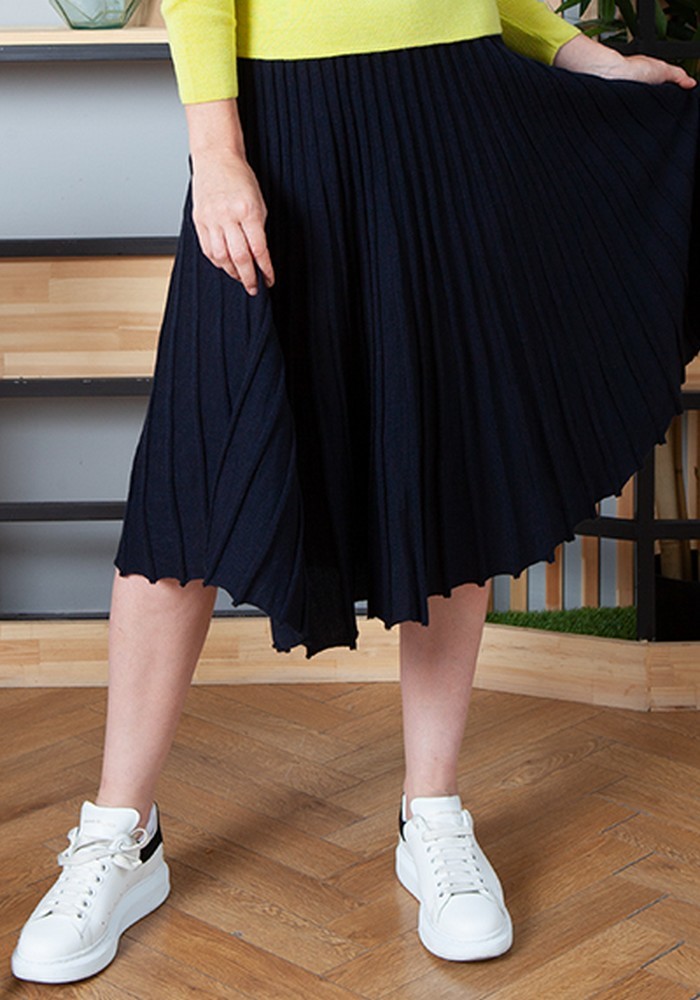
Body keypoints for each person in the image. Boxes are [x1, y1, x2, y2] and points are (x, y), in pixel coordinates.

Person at [10, 0, 700, 984]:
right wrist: (216, 149)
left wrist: (586, 57)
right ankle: (123, 830)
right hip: (284, 122)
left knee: (452, 453)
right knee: (191, 476)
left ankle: (433, 813)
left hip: (455, 109)